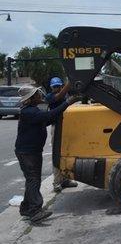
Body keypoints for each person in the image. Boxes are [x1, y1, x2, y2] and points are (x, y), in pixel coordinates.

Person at [15, 86, 78, 223]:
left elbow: (45, 120)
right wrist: (67, 103)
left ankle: (26, 208)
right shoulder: (30, 112)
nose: (40, 96)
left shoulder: (32, 111)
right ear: (31, 98)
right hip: (28, 152)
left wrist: (59, 115)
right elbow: (48, 116)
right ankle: (35, 211)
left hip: (30, 151)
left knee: (31, 180)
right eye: (37, 94)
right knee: (33, 180)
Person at [45, 77, 78, 193]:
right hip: (57, 128)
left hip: (67, 127)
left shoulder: (65, 95)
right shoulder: (50, 97)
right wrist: (71, 80)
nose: (57, 89)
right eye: (55, 87)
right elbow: (59, 96)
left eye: (59, 86)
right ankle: (57, 182)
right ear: (51, 87)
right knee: (56, 154)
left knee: (67, 153)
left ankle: (66, 179)